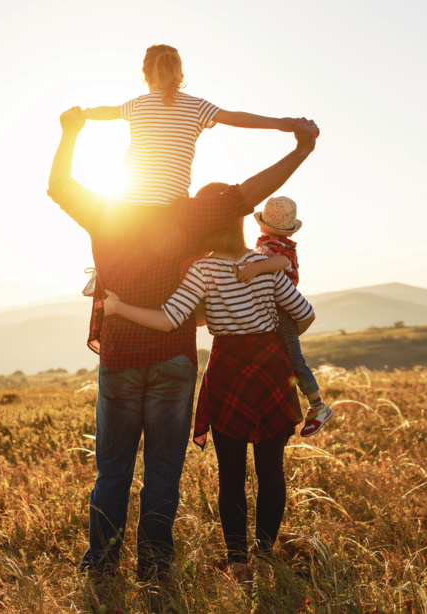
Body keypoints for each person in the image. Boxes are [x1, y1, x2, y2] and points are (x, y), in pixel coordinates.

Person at [46, 104, 319, 581]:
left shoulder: (105, 210)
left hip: (120, 357)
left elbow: (59, 187)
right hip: (174, 359)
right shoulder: (193, 215)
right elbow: (252, 192)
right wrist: (301, 149)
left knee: (112, 472)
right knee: (163, 473)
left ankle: (102, 566)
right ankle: (154, 568)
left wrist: (70, 132)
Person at [103, 206, 316, 576]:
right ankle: (264, 556)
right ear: (238, 223)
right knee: (271, 470)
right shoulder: (267, 262)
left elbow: (169, 320)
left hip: (228, 370)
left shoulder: (202, 269)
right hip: (270, 368)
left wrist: (120, 307)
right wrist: (275, 341)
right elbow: (306, 313)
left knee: (231, 474)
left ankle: (237, 562)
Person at [81, 43, 297, 207]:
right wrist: (279, 123)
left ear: (146, 76)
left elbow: (107, 111)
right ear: (181, 76)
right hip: (171, 205)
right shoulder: (197, 106)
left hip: (127, 201)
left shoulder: (137, 104)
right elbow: (236, 118)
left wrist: (81, 113)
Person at [235, 195, 333, 436]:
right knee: (283, 358)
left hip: (281, 308)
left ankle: (318, 405)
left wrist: (256, 267)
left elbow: (279, 262)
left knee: (293, 358)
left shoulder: (275, 248)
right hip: (279, 308)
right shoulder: (275, 243)